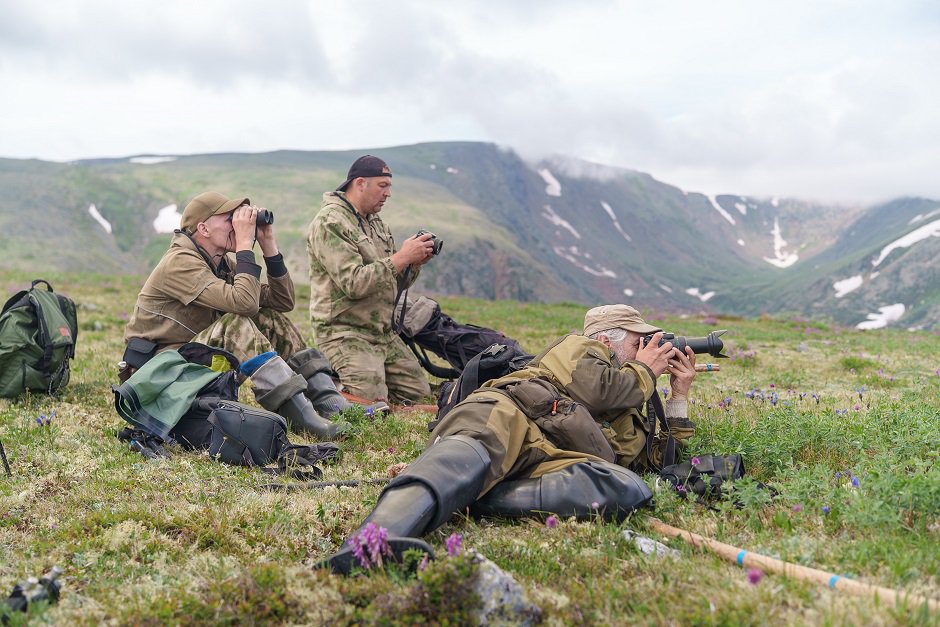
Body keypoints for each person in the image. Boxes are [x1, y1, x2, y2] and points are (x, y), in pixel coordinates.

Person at [319, 304, 698, 574]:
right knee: (468, 453)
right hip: (510, 413)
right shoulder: (582, 348)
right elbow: (598, 391)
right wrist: (645, 370)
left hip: (556, 455)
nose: (649, 350)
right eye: (640, 342)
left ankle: (471, 495)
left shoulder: (634, 391)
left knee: (628, 489)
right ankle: (367, 545)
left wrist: (678, 396)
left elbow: (659, 465)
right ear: (606, 338)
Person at [123, 191, 374, 440]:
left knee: (270, 319)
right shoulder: (180, 262)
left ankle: (328, 402)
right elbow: (243, 305)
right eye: (228, 218)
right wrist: (244, 246)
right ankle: (303, 419)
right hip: (160, 374)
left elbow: (281, 301)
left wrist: (268, 245)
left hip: (189, 361)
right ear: (204, 229)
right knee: (236, 324)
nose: (237, 224)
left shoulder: (218, 262)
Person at [306, 155, 437, 404]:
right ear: (360, 183)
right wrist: (401, 258)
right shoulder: (330, 222)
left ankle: (372, 389)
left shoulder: (376, 223)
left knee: (418, 395)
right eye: (382, 186)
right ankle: (324, 388)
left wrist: (413, 264)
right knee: (369, 401)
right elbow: (354, 284)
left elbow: (391, 283)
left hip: (381, 332)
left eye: (389, 187)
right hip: (344, 332)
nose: (387, 194)